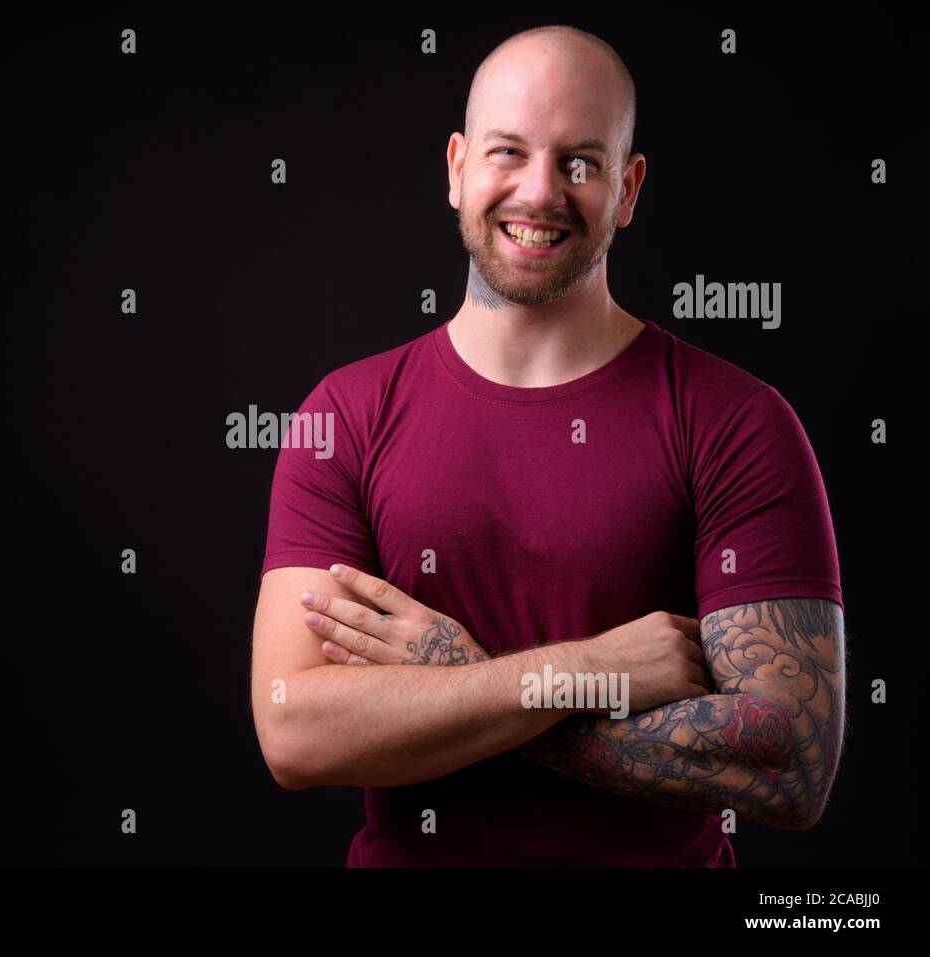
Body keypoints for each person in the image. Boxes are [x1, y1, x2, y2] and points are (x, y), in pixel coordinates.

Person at [249, 24, 845, 866]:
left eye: (580, 163)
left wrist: (456, 676)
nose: (539, 193)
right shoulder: (342, 416)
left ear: (629, 188)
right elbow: (296, 731)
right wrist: (583, 672)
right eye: (507, 152)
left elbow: (792, 768)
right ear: (457, 168)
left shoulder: (737, 421)